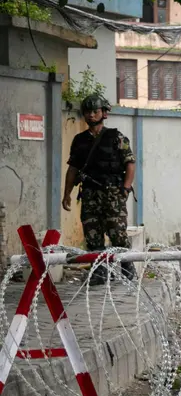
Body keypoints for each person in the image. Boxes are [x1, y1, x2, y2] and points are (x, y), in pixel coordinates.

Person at [63, 94, 136, 284]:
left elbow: (130, 164)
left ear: (104, 113)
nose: (91, 115)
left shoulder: (116, 137)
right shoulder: (79, 140)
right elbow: (73, 169)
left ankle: (127, 268)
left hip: (112, 192)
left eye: (95, 111)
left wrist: (125, 189)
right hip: (89, 193)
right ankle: (100, 271)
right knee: (92, 234)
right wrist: (67, 194)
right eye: (87, 112)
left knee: (117, 233)